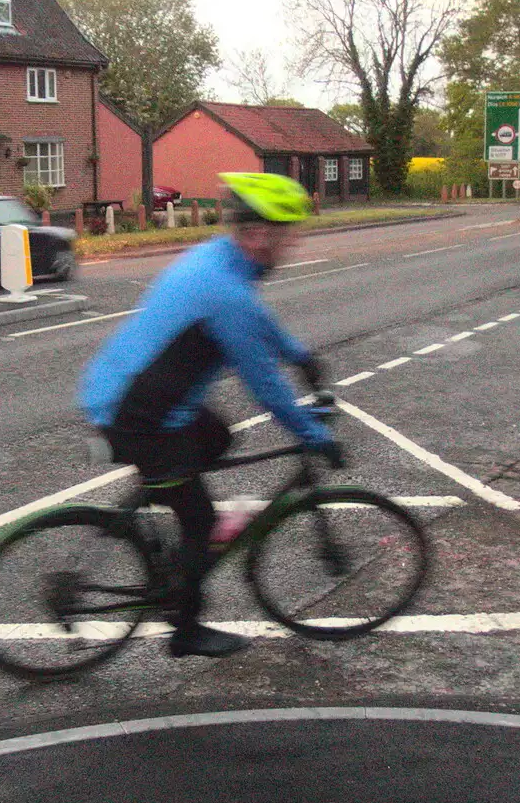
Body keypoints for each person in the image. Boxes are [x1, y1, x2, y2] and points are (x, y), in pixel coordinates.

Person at [78, 172, 344, 659]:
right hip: (137, 413)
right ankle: (185, 629)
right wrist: (312, 435)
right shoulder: (226, 292)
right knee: (199, 519)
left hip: (136, 393)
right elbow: (265, 387)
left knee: (217, 436)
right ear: (261, 234)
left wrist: (300, 355)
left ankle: (166, 491)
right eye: (289, 232)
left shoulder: (221, 262)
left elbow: (256, 323)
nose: (293, 243)